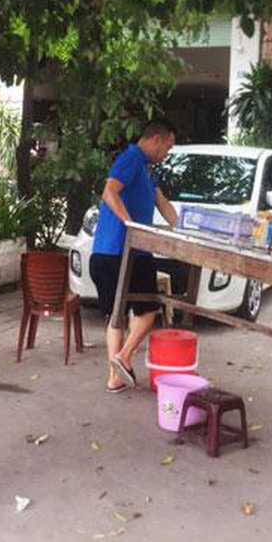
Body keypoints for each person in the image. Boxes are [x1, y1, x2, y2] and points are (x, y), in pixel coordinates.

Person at [90, 119, 178, 393]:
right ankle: (123, 357)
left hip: (109, 252)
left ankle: (114, 378)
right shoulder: (131, 158)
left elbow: (161, 202)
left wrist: (181, 228)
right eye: (167, 148)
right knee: (149, 309)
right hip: (124, 252)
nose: (166, 155)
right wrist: (131, 226)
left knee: (116, 315)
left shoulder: (146, 170)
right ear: (156, 140)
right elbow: (109, 192)